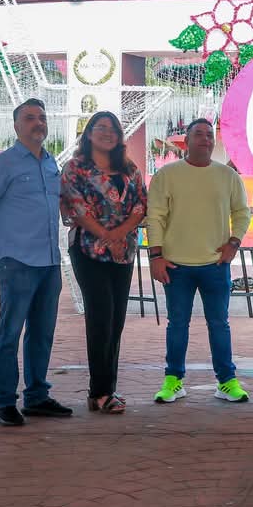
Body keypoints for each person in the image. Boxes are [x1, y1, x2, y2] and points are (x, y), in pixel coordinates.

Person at [146, 118, 252, 404]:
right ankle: (173, 381)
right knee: (177, 324)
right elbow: (154, 216)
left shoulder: (228, 176)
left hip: (215, 265)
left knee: (219, 323)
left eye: (209, 135)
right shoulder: (167, 175)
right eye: (199, 135)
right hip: (175, 265)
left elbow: (242, 213)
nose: (205, 139)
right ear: (187, 141)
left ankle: (227, 381)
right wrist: (155, 255)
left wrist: (233, 243)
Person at [0, 98, 73, 426]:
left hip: (49, 263)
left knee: (42, 333)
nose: (38, 123)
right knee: (9, 333)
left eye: (42, 118)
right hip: (17, 262)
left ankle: (36, 397)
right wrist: (3, 244)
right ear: (17, 126)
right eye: (30, 118)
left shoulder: (52, 165)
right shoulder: (2, 164)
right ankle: (4, 402)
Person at [59, 110, 148, 414]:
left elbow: (140, 205)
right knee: (100, 316)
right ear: (89, 133)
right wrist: (103, 234)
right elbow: (76, 206)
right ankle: (100, 391)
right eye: (100, 127)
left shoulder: (129, 169)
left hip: (123, 251)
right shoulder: (75, 168)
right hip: (88, 251)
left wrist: (119, 233)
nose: (107, 132)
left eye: (113, 129)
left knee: (117, 319)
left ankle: (105, 388)